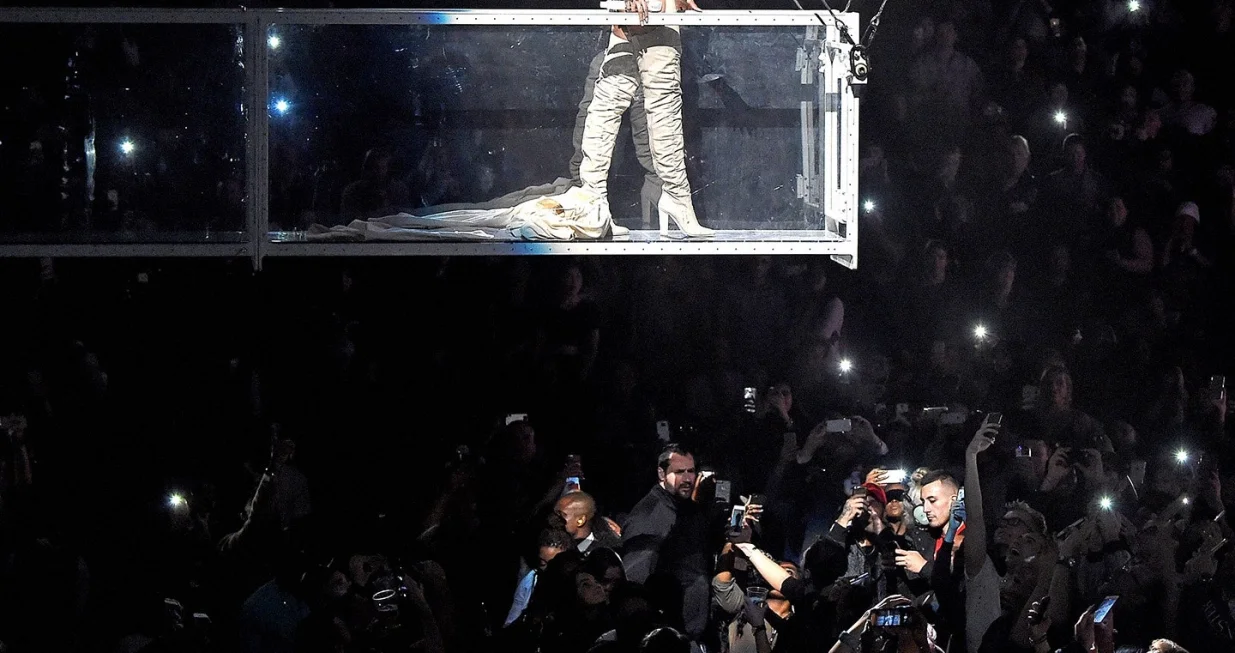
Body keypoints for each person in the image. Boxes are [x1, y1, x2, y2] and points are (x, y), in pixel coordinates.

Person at [576, 0, 714, 237]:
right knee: (660, 103)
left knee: (610, 99)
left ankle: (594, 202)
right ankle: (675, 197)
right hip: (651, 11)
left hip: (645, 11)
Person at [621, 443, 713, 647]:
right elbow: (635, 585)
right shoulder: (649, 517)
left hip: (689, 634)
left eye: (691, 471)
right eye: (679, 472)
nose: (688, 478)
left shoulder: (688, 509)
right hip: (666, 638)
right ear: (662, 474)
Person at [554, 491, 622, 553]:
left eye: (561, 515)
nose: (554, 519)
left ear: (580, 520)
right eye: (554, 514)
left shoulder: (602, 555)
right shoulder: (557, 544)